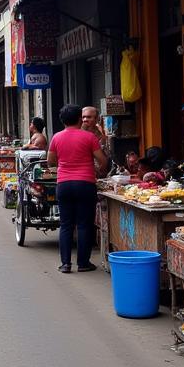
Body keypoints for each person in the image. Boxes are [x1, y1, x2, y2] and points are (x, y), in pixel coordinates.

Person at [47, 105, 108, 273]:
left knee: (66, 224)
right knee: (83, 225)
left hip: (64, 184)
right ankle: (83, 263)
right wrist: (95, 169)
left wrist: (65, 163)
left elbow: (50, 161)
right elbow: (102, 161)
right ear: (80, 119)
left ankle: (65, 264)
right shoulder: (89, 137)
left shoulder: (57, 137)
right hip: (85, 184)